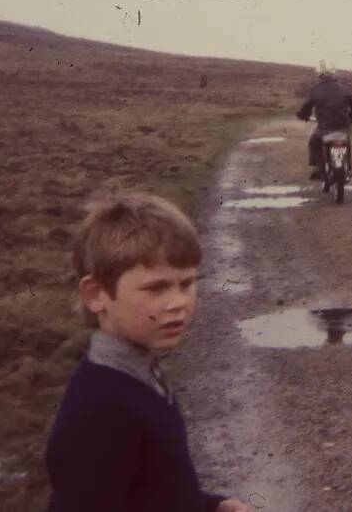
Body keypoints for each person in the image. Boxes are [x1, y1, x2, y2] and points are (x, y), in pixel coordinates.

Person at [45, 192, 252, 512]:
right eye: (156, 288)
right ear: (96, 294)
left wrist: (211, 507)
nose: (179, 302)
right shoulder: (102, 409)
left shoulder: (140, 375)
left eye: (186, 284)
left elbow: (156, 493)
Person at [295, 62, 352, 180]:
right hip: (343, 126)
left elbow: (306, 107)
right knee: (346, 142)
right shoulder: (344, 88)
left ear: (320, 75)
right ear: (334, 74)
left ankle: (317, 168)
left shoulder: (315, 90)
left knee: (313, 141)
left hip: (324, 128)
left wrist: (302, 116)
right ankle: (349, 169)